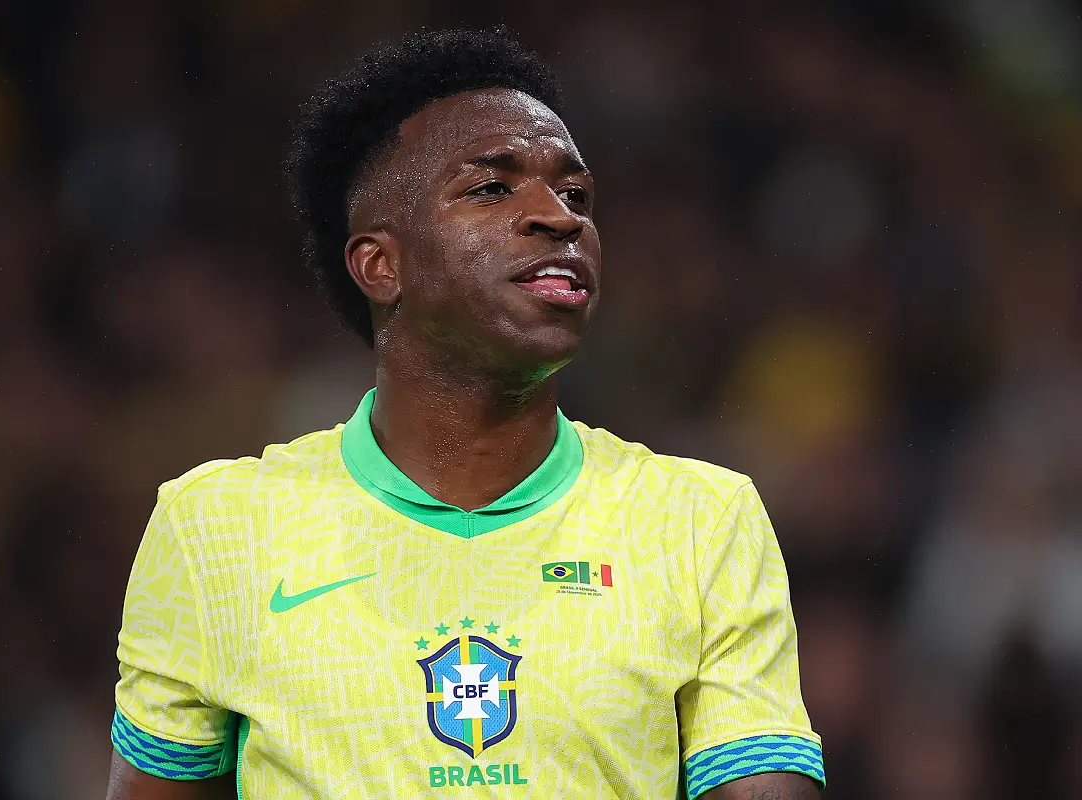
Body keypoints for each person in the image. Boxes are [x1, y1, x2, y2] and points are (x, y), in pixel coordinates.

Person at [105, 27, 824, 800]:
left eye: (577, 195)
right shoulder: (217, 528)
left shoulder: (699, 522)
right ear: (381, 265)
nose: (559, 217)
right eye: (491, 187)